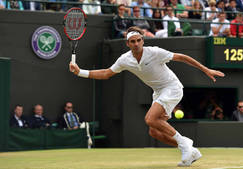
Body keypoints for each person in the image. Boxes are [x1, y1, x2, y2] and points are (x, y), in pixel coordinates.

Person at [69, 26, 225, 166]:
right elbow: (106, 73)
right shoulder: (125, 59)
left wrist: (206, 70)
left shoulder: (155, 52)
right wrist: (80, 72)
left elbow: (183, 57)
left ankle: (184, 143)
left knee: (150, 119)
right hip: (158, 92)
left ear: (142, 40)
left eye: (138, 40)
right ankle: (190, 150)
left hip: (172, 88)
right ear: (127, 44)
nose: (136, 44)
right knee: (154, 131)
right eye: (132, 41)